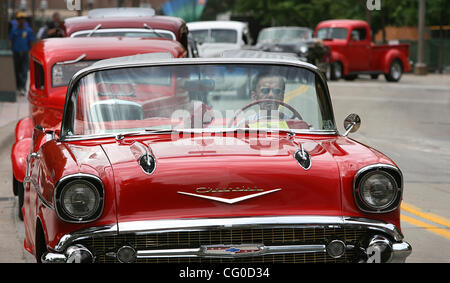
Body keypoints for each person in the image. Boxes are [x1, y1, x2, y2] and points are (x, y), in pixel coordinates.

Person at [9, 12, 34, 96]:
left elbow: (31, 42)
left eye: (22, 19)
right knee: (16, 70)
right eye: (19, 19)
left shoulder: (28, 30)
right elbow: (11, 41)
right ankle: (18, 86)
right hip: (16, 53)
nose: (21, 21)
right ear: (17, 21)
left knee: (24, 71)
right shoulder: (14, 30)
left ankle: (23, 88)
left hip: (25, 53)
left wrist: (30, 52)